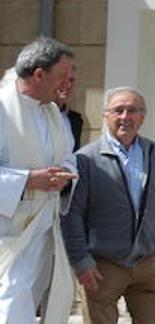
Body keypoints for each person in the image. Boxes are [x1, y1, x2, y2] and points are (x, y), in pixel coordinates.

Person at [61, 87, 155, 324]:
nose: (125, 117)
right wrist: (81, 260)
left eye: (132, 110)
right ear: (106, 116)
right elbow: (72, 213)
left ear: (142, 117)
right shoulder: (85, 159)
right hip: (102, 265)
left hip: (149, 262)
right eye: (118, 110)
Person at [0, 37, 80, 324]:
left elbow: (69, 156)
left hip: (46, 226)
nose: (68, 84)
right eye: (63, 76)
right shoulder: (2, 108)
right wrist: (28, 180)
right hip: (9, 231)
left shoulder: (52, 113)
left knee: (33, 300)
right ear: (38, 74)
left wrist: (65, 176)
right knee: (11, 301)